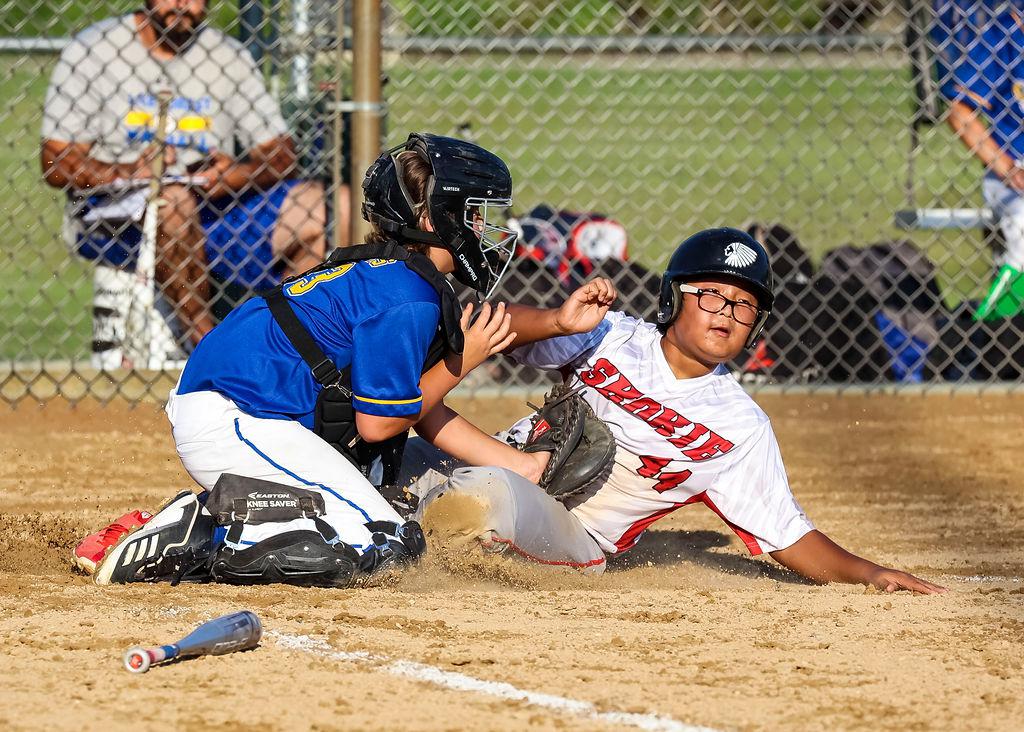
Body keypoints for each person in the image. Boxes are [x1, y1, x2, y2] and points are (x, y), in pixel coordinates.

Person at [78, 132, 554, 589]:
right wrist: (463, 363)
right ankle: (200, 534)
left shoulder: (392, 277)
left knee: (390, 513)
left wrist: (520, 461)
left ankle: (218, 514)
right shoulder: (407, 295)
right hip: (237, 416)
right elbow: (379, 426)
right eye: (473, 214)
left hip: (246, 412)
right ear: (433, 220)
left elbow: (418, 404)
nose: (485, 230)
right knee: (384, 544)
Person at [404, 227, 947, 594]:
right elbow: (491, 329)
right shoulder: (611, 337)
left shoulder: (740, 425)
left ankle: (403, 532)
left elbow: (784, 532)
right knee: (387, 445)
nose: (726, 313)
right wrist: (559, 322)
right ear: (673, 299)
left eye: (743, 304)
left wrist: (869, 572)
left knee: (488, 497)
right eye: (710, 295)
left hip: (572, 531)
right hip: (485, 462)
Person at [40, 0, 329, 368]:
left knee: (321, 205)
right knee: (173, 202)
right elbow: (54, 161)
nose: (182, 6)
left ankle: (290, 353)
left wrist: (235, 175)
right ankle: (210, 348)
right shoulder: (93, 50)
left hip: (212, 205)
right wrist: (129, 172)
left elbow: (282, 153)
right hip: (115, 213)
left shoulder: (225, 55)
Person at [938, 2, 1024, 319]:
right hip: (1012, 177)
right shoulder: (1004, 35)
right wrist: (1010, 169)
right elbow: (960, 115)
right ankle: (988, 338)